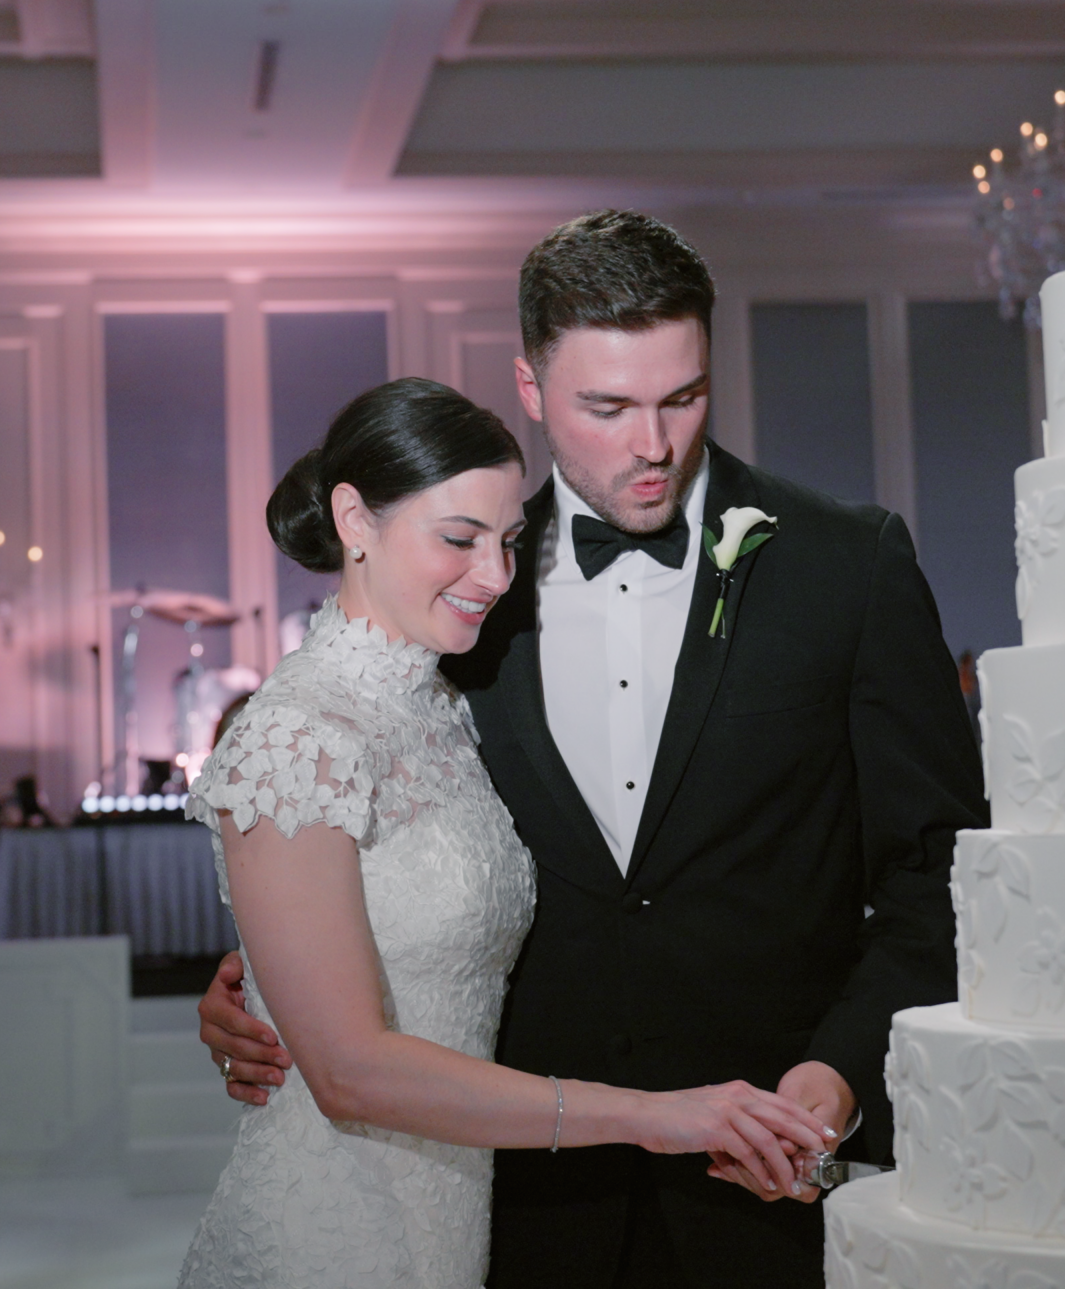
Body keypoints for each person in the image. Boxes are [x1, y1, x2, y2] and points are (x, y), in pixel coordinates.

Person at [199, 210, 986, 1286]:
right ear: (529, 388)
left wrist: (839, 1072)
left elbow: (941, 869)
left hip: (769, 1178)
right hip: (523, 1202)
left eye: (682, 398)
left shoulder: (847, 567)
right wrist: (263, 982)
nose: (651, 445)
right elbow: (366, 839)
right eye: (605, 407)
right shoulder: (464, 594)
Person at [176, 377, 832, 1289]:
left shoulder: (446, 705)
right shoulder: (295, 734)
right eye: (459, 539)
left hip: (460, 1214)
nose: (495, 576)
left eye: (510, 542)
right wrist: (657, 1115)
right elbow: (350, 1070)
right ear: (355, 521)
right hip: (332, 1229)